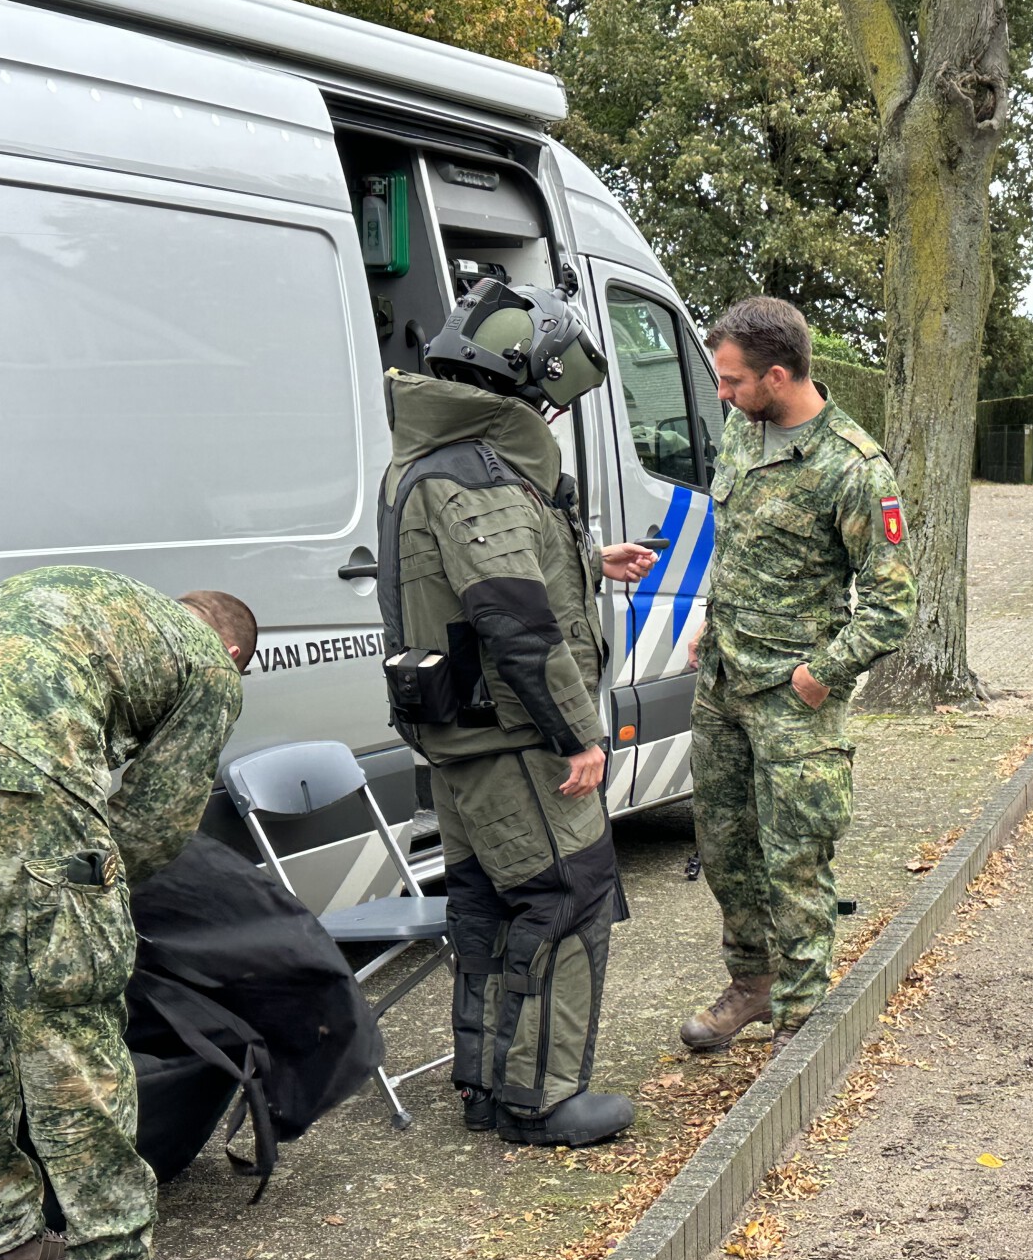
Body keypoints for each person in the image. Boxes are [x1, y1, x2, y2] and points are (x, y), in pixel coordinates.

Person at [382, 279, 657, 1148]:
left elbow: (477, 579)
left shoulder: (439, 457)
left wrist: (587, 559)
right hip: (514, 740)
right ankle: (544, 1098)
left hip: (466, 739)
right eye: (552, 393)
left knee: (485, 905)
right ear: (525, 376)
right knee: (568, 894)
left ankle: (486, 1084)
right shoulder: (479, 470)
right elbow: (512, 618)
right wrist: (578, 734)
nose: (555, 410)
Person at [0, 566, 253, 1260]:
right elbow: (156, 819)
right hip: (16, 777)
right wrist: (99, 894)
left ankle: (4, 1249)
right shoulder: (208, 663)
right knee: (68, 1023)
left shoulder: (93, 606)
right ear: (233, 650)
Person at [679, 296, 915, 1056]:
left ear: (777, 375)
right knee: (725, 850)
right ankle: (751, 985)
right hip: (723, 682)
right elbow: (737, 544)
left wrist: (823, 674)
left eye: (732, 380)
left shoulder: (853, 467)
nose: (722, 393)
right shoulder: (740, 431)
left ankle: (803, 1017)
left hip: (793, 694)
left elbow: (892, 605)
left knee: (796, 857)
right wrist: (710, 617)